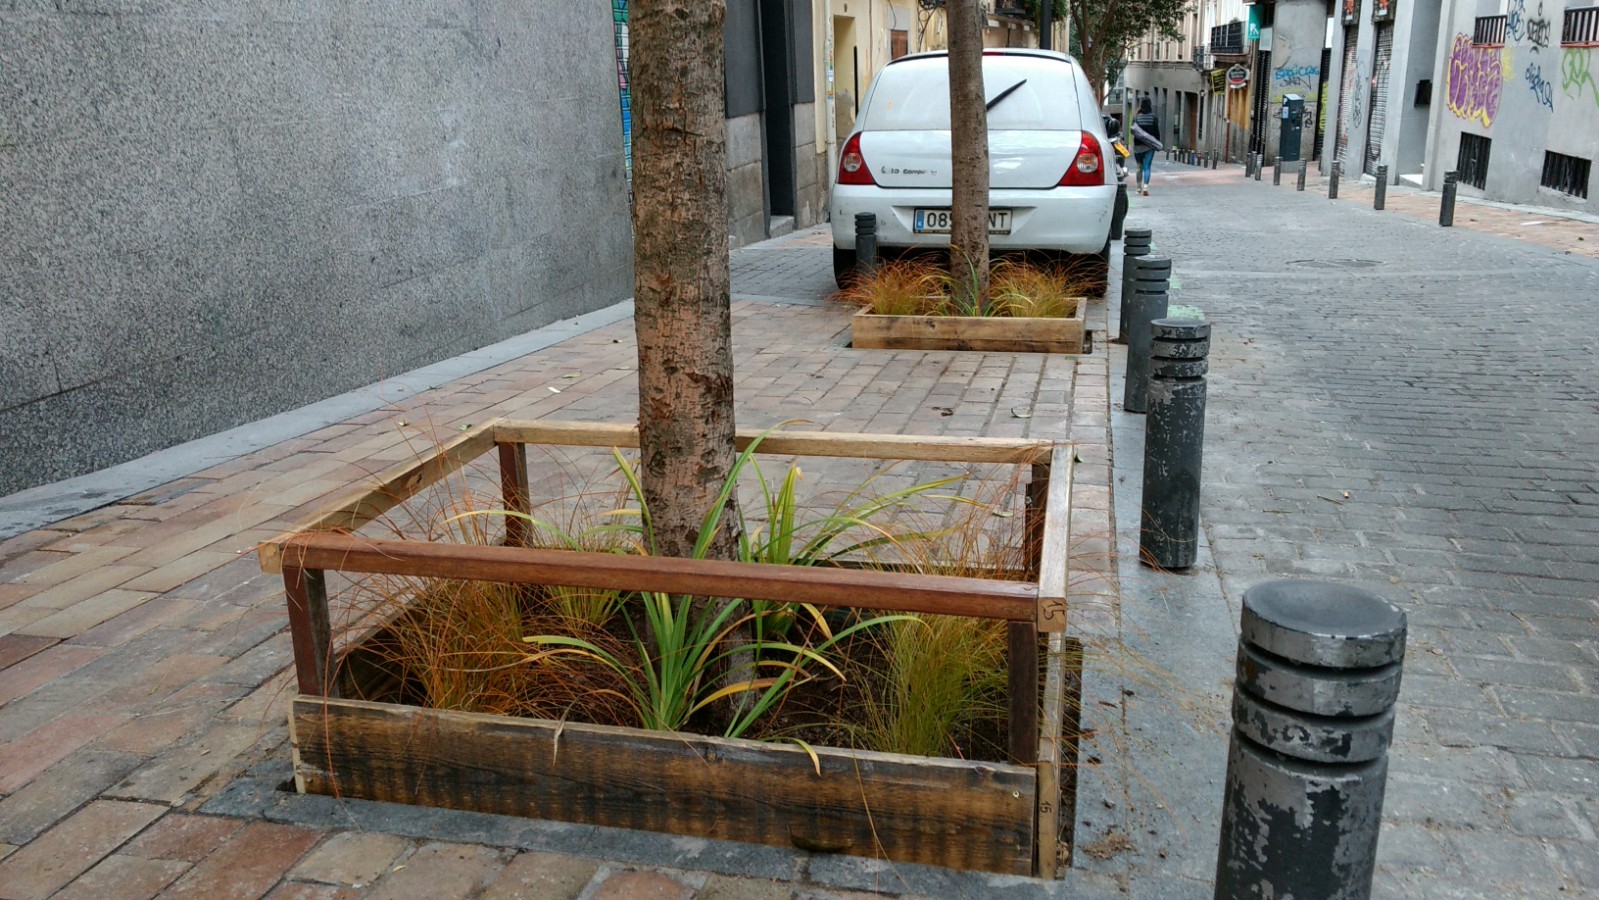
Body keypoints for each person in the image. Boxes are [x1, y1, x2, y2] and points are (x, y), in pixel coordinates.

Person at [1131, 97, 1161, 197]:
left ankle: (1138, 187)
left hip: (1138, 146)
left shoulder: (1136, 117)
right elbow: (1157, 132)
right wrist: (1157, 142)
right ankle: (1146, 187)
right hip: (1149, 146)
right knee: (1147, 166)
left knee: (1139, 167)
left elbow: (1133, 131)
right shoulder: (1153, 117)